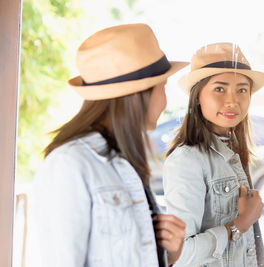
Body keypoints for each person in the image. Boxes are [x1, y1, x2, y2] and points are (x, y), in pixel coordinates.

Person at [33, 24, 189, 267]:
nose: (165, 101)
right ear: (140, 95)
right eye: (163, 87)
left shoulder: (124, 160)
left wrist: (168, 254)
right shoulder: (69, 164)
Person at [163, 42, 264, 266]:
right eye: (219, 89)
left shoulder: (234, 152)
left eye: (242, 90)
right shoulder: (187, 159)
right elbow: (179, 255)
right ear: (197, 96)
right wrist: (240, 224)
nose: (232, 101)